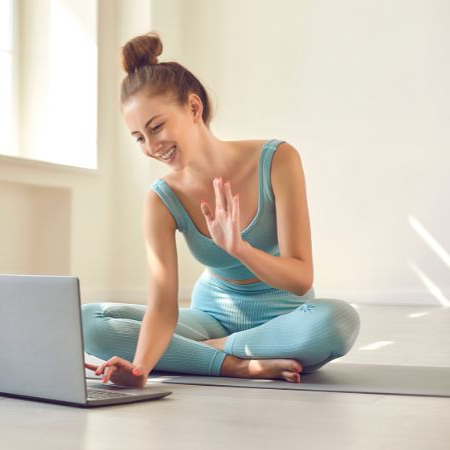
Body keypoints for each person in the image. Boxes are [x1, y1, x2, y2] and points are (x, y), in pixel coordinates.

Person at [81, 32, 360, 389]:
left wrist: (240, 249)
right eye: (138, 137)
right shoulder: (161, 199)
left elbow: (300, 278)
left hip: (285, 317)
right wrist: (140, 371)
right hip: (210, 316)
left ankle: (205, 353)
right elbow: (163, 308)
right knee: (89, 320)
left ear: (194, 108)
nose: (151, 147)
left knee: (338, 321)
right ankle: (238, 365)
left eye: (157, 127)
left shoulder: (277, 160)